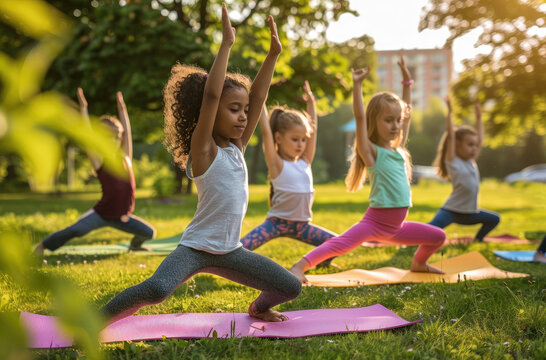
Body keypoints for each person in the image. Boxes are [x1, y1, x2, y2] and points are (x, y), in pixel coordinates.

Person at [100, 5, 301, 324]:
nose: (243, 116)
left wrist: (273, 56)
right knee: (156, 289)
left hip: (232, 252)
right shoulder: (204, 150)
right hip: (194, 249)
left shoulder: (236, 148)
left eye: (244, 110)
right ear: (212, 113)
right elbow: (210, 97)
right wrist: (225, 45)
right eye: (234, 109)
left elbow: (259, 96)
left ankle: (259, 309)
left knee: (290, 286)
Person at [289, 58, 446, 283]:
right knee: (340, 244)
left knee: (438, 236)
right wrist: (357, 86)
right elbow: (360, 117)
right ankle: (299, 266)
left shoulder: (399, 150)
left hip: (398, 227)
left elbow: (407, 113)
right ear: (375, 121)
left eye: (397, 121)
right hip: (374, 223)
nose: (395, 125)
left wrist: (407, 81)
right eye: (388, 120)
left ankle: (419, 263)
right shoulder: (371, 152)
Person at [34, 89, 156, 256]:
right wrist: (84, 109)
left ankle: (135, 246)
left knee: (149, 232)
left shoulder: (125, 157)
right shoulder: (99, 160)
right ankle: (42, 247)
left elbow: (126, 132)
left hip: (122, 217)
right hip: (102, 214)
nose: (111, 140)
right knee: (76, 230)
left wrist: (122, 109)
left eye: (115, 136)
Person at [240, 82, 337, 266]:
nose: (301, 144)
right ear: (279, 138)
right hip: (275, 224)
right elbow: (266, 133)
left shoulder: (305, 161)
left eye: (303, 140)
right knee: (240, 249)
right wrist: (260, 103)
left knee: (338, 243)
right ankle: (220, 265)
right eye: (295, 139)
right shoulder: (276, 163)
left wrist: (311, 104)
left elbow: (313, 132)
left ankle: (322, 261)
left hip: (302, 226)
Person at [428, 98, 500, 242]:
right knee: (429, 232)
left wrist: (479, 118)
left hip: (470, 213)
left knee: (494, 219)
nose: (474, 148)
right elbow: (450, 133)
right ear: (457, 144)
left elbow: (480, 139)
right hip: (451, 211)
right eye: (470, 145)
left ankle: (478, 240)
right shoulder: (453, 161)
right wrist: (450, 112)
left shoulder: (471, 161)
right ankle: (407, 235)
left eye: (475, 145)